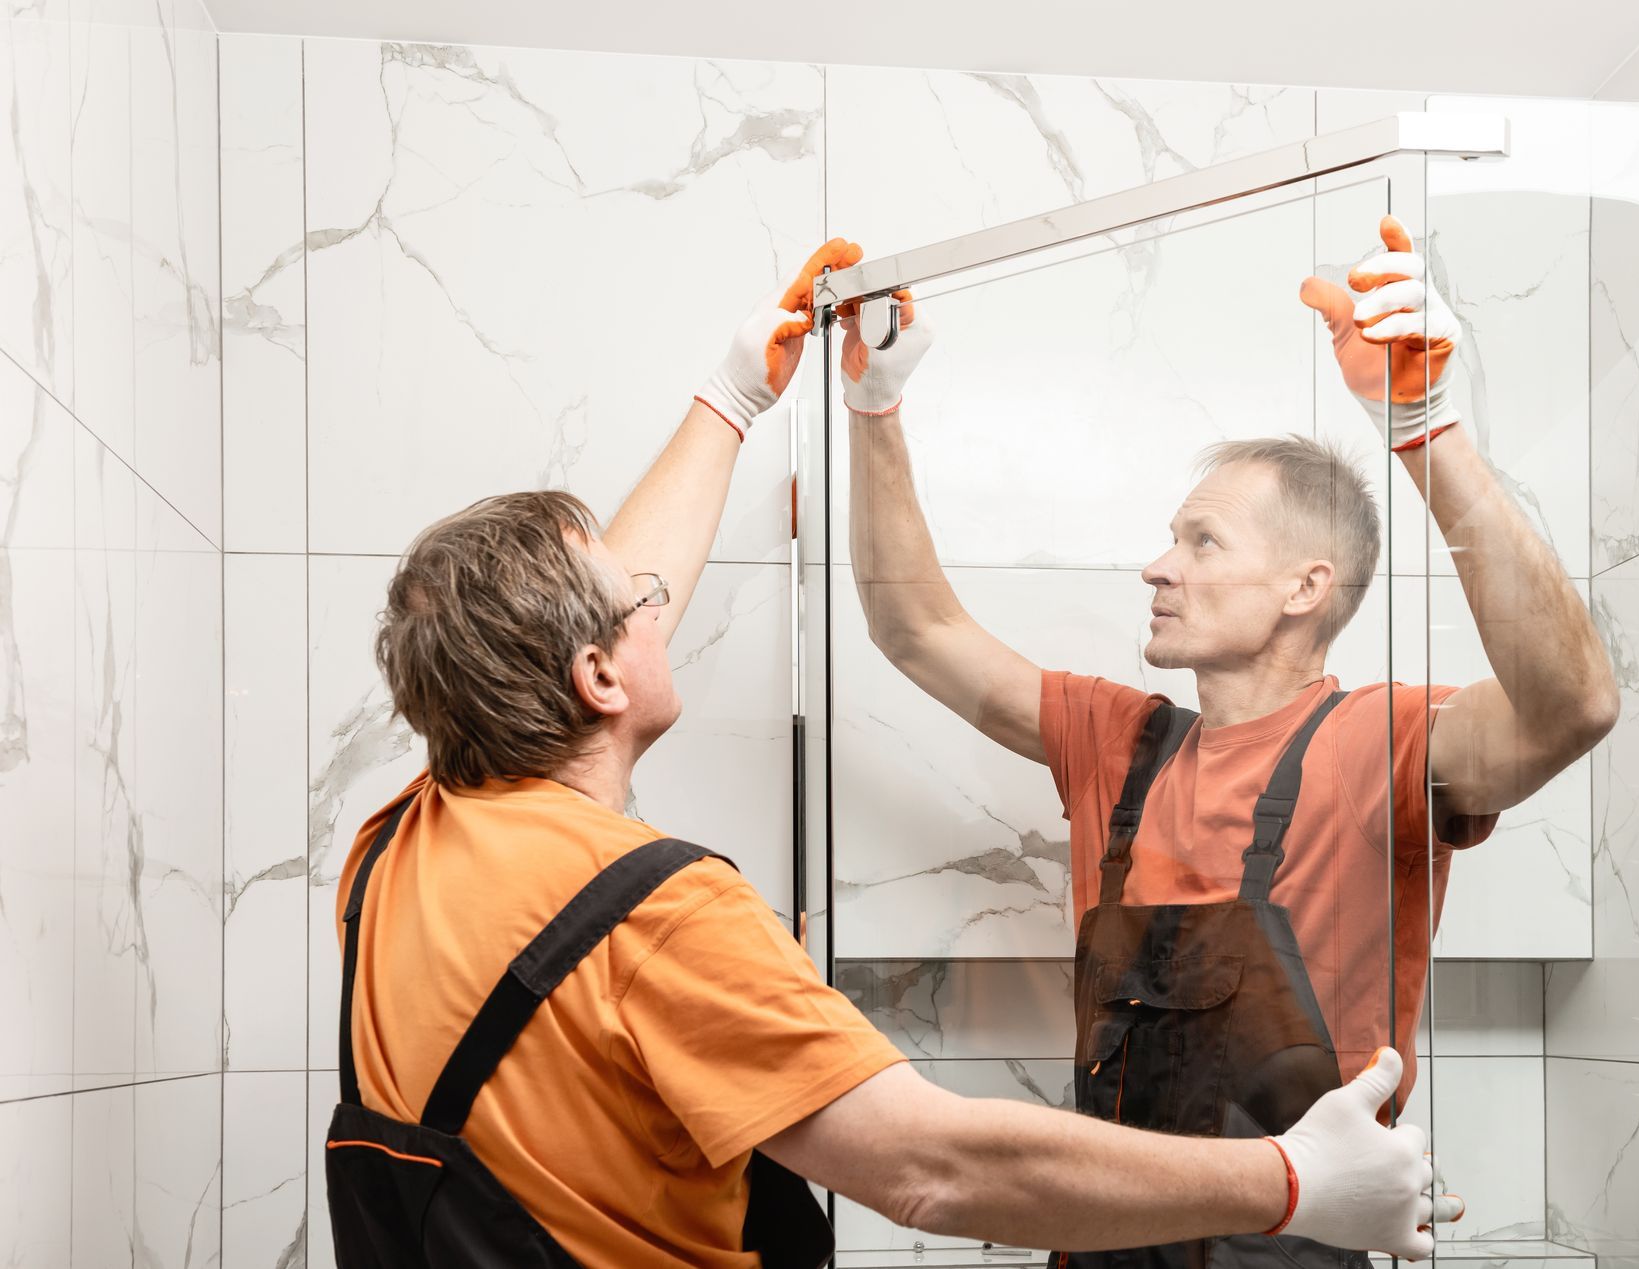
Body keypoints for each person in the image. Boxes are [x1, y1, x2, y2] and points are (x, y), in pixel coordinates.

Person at [325, 241, 1461, 1269]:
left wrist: (731, 398)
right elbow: (932, 1167)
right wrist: (1294, 1180)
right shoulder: (656, 914)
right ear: (599, 677)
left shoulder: (399, 848)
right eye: (642, 604)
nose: (659, 599)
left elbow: (550, 639)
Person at [843, 217, 1618, 1268]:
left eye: (1201, 541)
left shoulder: (1383, 740)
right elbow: (915, 628)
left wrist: (1427, 428)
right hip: (1100, 1245)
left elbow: (1575, 705)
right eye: (1172, 538)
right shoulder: (1118, 742)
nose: (1158, 567)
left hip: (1295, 1247)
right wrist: (874, 408)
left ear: (1306, 588)